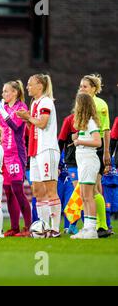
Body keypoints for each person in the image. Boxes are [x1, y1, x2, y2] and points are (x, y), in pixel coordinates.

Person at [16, 74, 62, 238]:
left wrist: (28, 117)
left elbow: (42, 123)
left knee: (50, 190)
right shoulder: (35, 103)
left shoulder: (46, 101)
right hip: (35, 152)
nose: (27, 87)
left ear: (40, 86)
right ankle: (43, 227)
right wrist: (26, 119)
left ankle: (55, 229)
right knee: (37, 191)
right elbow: (34, 127)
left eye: (30, 84)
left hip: (47, 149)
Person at [0, 80, 32, 237]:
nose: (3, 94)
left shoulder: (21, 107)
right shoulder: (4, 107)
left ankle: (28, 227)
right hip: (3, 155)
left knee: (18, 190)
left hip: (16, 155)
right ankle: (14, 227)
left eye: (6, 91)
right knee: (8, 191)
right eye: (3, 91)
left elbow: (16, 126)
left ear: (15, 93)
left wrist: (1, 111)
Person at [78, 74, 111, 237]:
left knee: (95, 189)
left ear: (93, 88)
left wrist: (106, 152)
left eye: (84, 86)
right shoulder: (82, 106)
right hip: (84, 151)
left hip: (95, 151)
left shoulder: (99, 104)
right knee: (87, 190)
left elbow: (105, 130)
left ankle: (102, 225)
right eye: (80, 86)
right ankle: (92, 225)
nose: (81, 89)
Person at [70, 93, 102, 239]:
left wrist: (80, 142)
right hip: (83, 161)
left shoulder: (91, 122)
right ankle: (87, 227)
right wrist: (77, 137)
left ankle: (92, 230)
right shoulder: (84, 123)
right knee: (83, 195)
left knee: (89, 196)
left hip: (89, 160)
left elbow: (98, 142)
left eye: (77, 104)